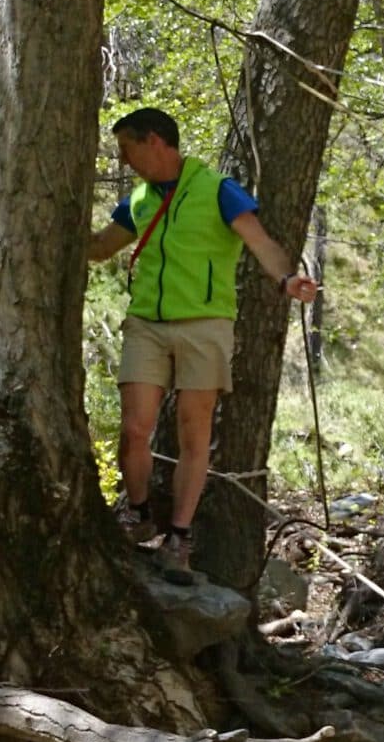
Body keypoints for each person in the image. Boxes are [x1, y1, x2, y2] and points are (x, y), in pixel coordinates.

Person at [86, 108, 319, 572]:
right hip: (147, 324)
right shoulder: (138, 201)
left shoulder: (217, 190)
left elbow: (260, 242)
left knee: (196, 435)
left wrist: (288, 279)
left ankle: (179, 537)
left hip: (206, 325)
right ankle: (137, 514)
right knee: (135, 427)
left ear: (155, 141)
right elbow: (99, 247)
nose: (124, 161)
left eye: (127, 149)